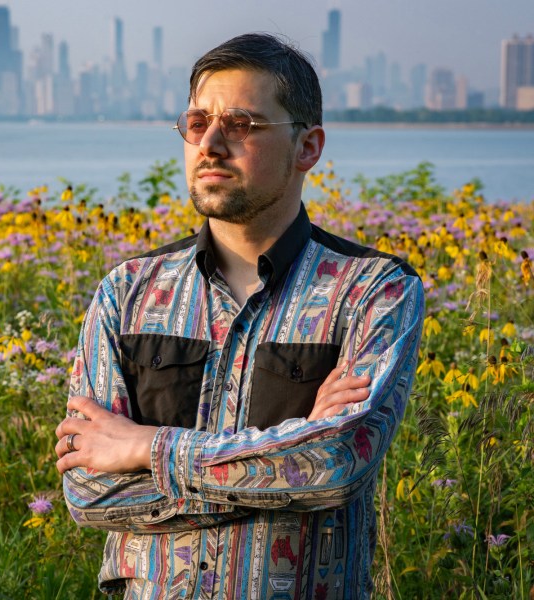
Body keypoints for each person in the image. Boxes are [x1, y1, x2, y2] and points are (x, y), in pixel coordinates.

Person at [55, 32, 424, 599]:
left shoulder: (372, 291)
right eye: (198, 122)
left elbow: (337, 460)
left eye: (243, 125)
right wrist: (288, 460)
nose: (211, 143)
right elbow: (89, 492)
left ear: (308, 148)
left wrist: (143, 448)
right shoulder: (127, 293)